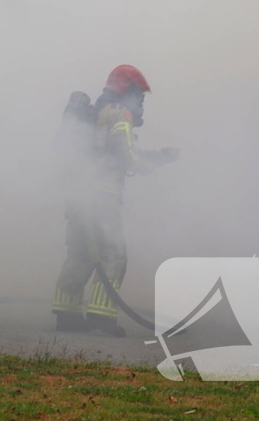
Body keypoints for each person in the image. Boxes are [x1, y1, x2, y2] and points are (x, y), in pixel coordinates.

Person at [51, 65, 178, 337]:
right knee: (114, 256)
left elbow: (106, 152)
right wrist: (160, 159)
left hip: (77, 197)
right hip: (102, 199)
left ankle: (66, 314)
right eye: (139, 97)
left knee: (80, 254)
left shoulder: (90, 114)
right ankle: (101, 314)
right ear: (127, 92)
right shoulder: (121, 115)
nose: (141, 104)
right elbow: (129, 158)